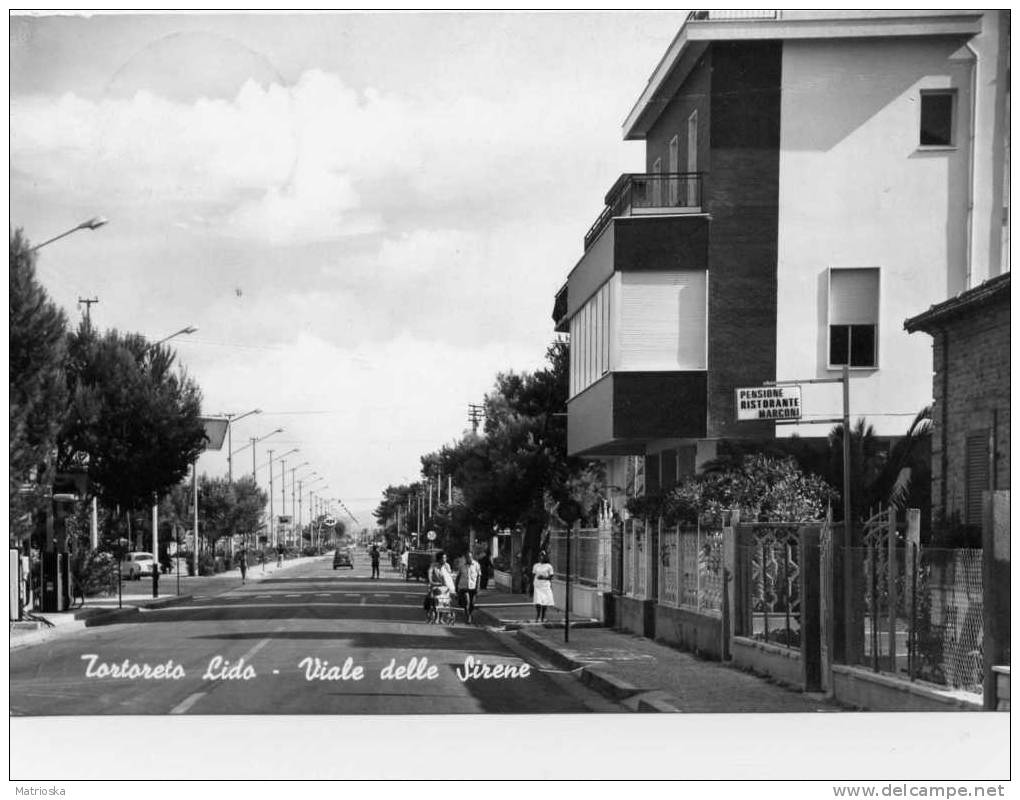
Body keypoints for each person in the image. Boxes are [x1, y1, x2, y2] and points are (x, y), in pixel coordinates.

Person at [425, 551, 455, 619]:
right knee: (432, 598)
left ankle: (441, 617)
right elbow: (429, 574)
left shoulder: (447, 566)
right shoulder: (433, 565)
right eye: (443, 558)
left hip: (445, 587)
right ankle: (435, 615)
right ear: (439, 559)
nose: (444, 559)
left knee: (445, 600)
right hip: (435, 586)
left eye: (445, 558)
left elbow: (449, 577)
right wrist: (431, 581)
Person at [456, 551, 482, 624]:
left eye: (470, 557)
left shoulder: (476, 565)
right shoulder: (462, 565)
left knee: (472, 603)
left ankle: (469, 613)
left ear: (472, 557)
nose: (469, 558)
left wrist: (478, 586)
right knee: (467, 601)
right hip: (464, 587)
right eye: (467, 557)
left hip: (473, 587)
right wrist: (456, 586)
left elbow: (479, 576)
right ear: (465, 558)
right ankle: (468, 616)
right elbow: (458, 576)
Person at [532, 551, 554, 623]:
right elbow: (533, 575)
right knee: (538, 601)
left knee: (544, 602)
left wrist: (544, 578)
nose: (541, 557)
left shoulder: (549, 566)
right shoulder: (536, 565)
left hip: (545, 586)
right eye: (540, 556)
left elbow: (551, 577)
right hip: (537, 585)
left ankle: (543, 616)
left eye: (542, 556)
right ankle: (538, 615)